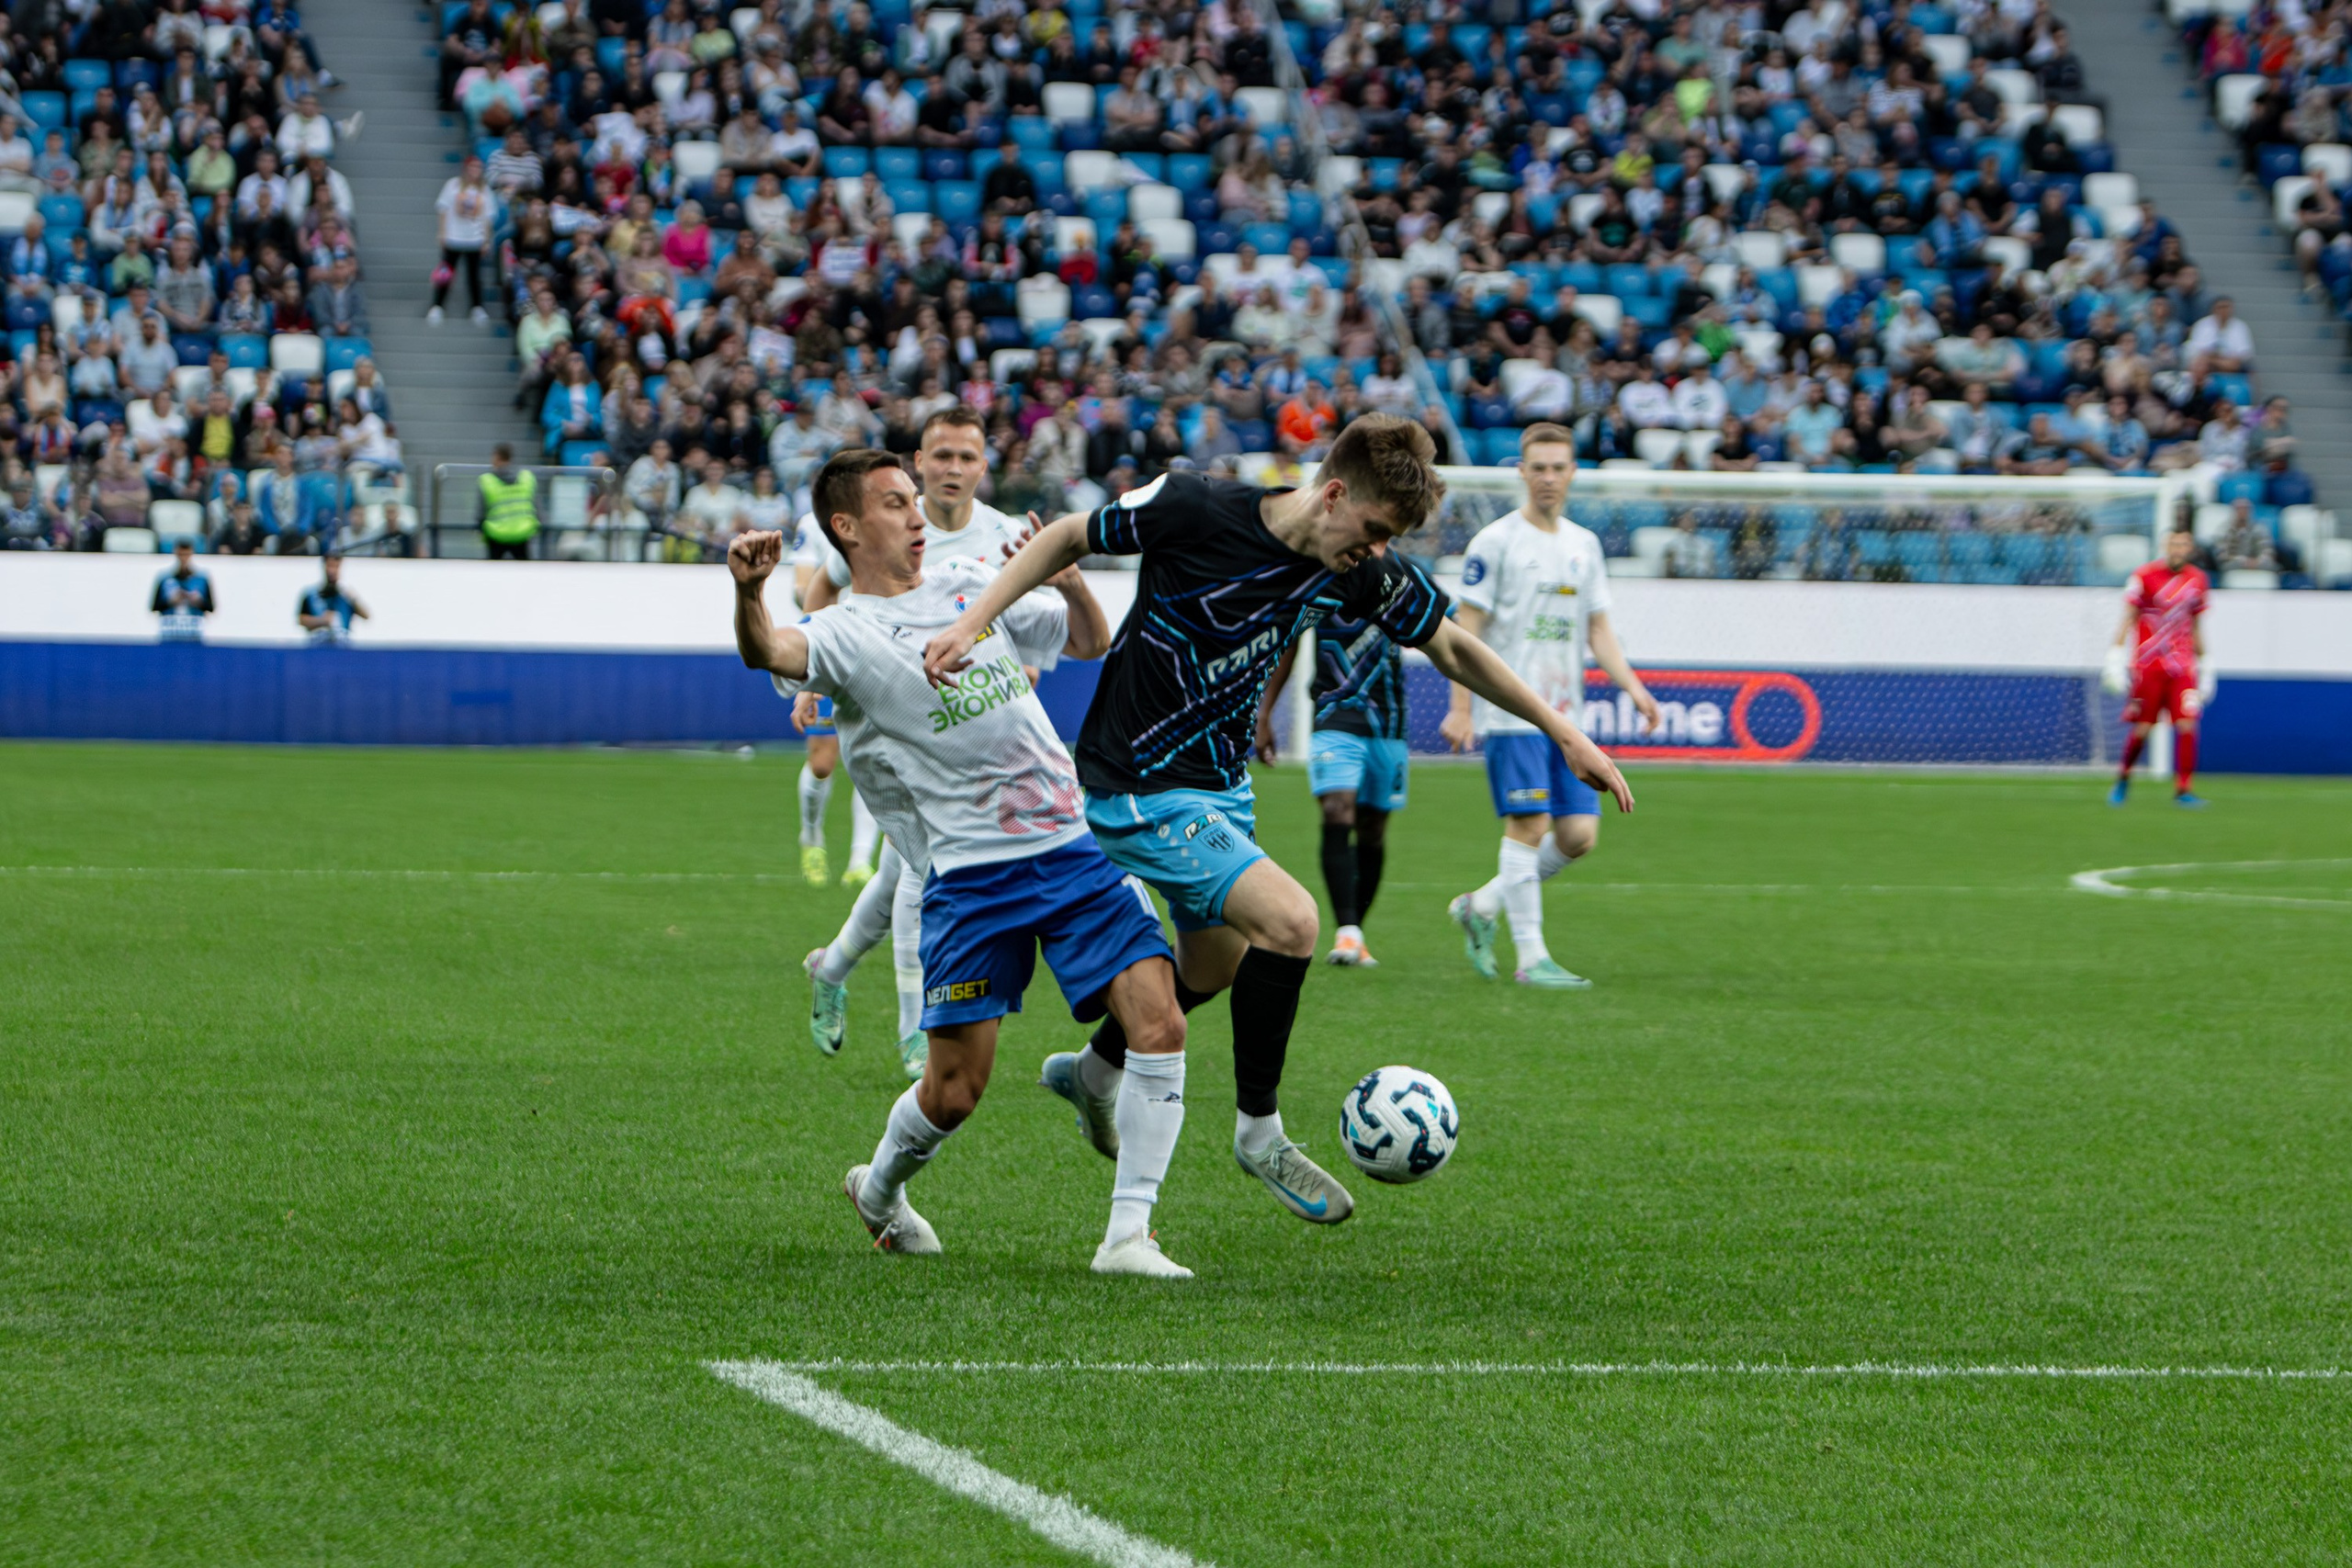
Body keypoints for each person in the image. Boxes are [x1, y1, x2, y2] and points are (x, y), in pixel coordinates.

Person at [923, 415, 1634, 1226]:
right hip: (1135, 783)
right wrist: (972, 622)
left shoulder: (1355, 570)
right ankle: (1259, 1133)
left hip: (1219, 789)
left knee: (1217, 967)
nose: (1376, 551)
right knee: (1293, 922)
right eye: (1372, 530)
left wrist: (1564, 731)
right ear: (1332, 495)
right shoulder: (1192, 506)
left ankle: (1093, 1070)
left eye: (1389, 540)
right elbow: (1065, 536)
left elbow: (1452, 647)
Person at [729, 453, 1197, 1278]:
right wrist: (748, 591)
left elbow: (1087, 640)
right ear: (846, 526)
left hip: (1071, 845)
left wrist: (1074, 583)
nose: (917, 515)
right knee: (954, 1090)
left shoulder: (973, 583)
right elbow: (768, 647)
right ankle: (878, 1190)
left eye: (915, 500)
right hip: (970, 876)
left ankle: (1128, 1235)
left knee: (1159, 1020)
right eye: (894, 503)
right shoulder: (843, 630)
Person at [797, 407, 1035, 1067]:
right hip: (899, 719)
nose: (953, 469)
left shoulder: (1004, 535)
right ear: (920, 463)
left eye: (967, 457)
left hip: (975, 733)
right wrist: (814, 680)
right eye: (942, 456)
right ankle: (915, 1034)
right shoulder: (881, 521)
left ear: (984, 465)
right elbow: (823, 588)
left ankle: (830, 967)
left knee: (899, 871)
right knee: (917, 872)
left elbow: (1029, 623)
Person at [1442, 423, 1662, 988]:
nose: (1547, 477)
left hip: (1569, 718)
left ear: (1572, 473)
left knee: (1579, 836)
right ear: (1521, 471)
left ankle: (1482, 904)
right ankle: (1532, 958)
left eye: (1557, 467)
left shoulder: (1584, 544)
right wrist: (1461, 707)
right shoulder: (1495, 541)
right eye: (1537, 467)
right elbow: (1465, 630)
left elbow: (1598, 629)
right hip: (1511, 712)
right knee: (1529, 823)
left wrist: (1633, 687)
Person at [1252, 613, 1406, 968]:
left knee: (1373, 828)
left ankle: (1355, 934)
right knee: (1337, 808)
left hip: (1388, 722)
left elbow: (1444, 633)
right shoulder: (1319, 587)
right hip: (1332, 715)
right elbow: (1288, 643)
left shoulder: (1403, 586)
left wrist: (1462, 705)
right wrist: (1264, 714)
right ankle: (1347, 932)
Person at [2106, 521, 2212, 808]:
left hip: (2181, 666)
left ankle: (2183, 789)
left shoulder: (2198, 580)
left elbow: (2196, 625)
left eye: (2184, 544)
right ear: (2165, 546)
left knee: (2187, 724)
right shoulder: (2144, 576)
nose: (2179, 549)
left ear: (2190, 548)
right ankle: (2123, 777)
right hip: (2149, 665)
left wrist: (2206, 664)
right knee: (2143, 728)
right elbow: (2128, 617)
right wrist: (2115, 657)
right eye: (2174, 544)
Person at [478, 444, 537, 559]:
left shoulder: (486, 480)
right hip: (522, 532)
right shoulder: (526, 477)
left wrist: (480, 528)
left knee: (493, 569)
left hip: (495, 533)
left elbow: (480, 512)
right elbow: (535, 505)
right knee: (525, 569)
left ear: (497, 457)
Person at [297, 552, 368, 645]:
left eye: (336, 566)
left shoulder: (346, 594)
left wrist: (352, 598)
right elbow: (301, 620)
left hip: (342, 642)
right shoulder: (311, 593)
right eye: (329, 566)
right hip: (318, 641)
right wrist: (322, 621)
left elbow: (366, 616)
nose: (332, 571)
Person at [151, 539, 214, 641]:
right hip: (170, 631)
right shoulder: (164, 578)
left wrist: (198, 601)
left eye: (186, 555)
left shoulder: (201, 579)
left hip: (194, 631)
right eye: (181, 554)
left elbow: (211, 607)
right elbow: (155, 606)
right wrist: (170, 601)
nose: (184, 558)